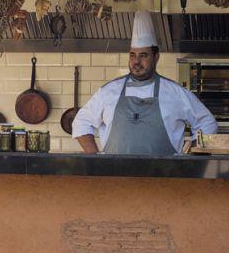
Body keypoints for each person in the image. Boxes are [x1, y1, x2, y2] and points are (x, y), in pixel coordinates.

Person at [71, 12, 217, 155]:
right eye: (132, 55)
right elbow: (81, 122)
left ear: (156, 57)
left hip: (165, 171)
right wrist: (95, 160)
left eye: (143, 56)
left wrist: (192, 150)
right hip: (114, 171)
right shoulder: (109, 91)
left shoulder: (175, 93)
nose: (136, 62)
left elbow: (208, 123)